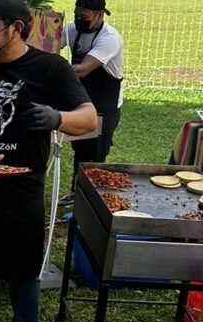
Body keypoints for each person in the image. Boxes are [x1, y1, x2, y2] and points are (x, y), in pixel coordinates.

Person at [0, 0, 96, 322]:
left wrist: (57, 118)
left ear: (16, 28)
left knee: (24, 271)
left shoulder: (49, 68)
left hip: (22, 192)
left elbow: (89, 117)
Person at [60, 0, 124, 206]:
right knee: (80, 147)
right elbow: (49, 44)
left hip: (105, 101)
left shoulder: (110, 38)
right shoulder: (72, 30)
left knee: (95, 152)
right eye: (77, 14)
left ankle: (90, 198)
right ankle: (75, 192)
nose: (79, 19)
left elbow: (83, 69)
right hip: (82, 98)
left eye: (84, 17)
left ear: (99, 15)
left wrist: (50, 69)